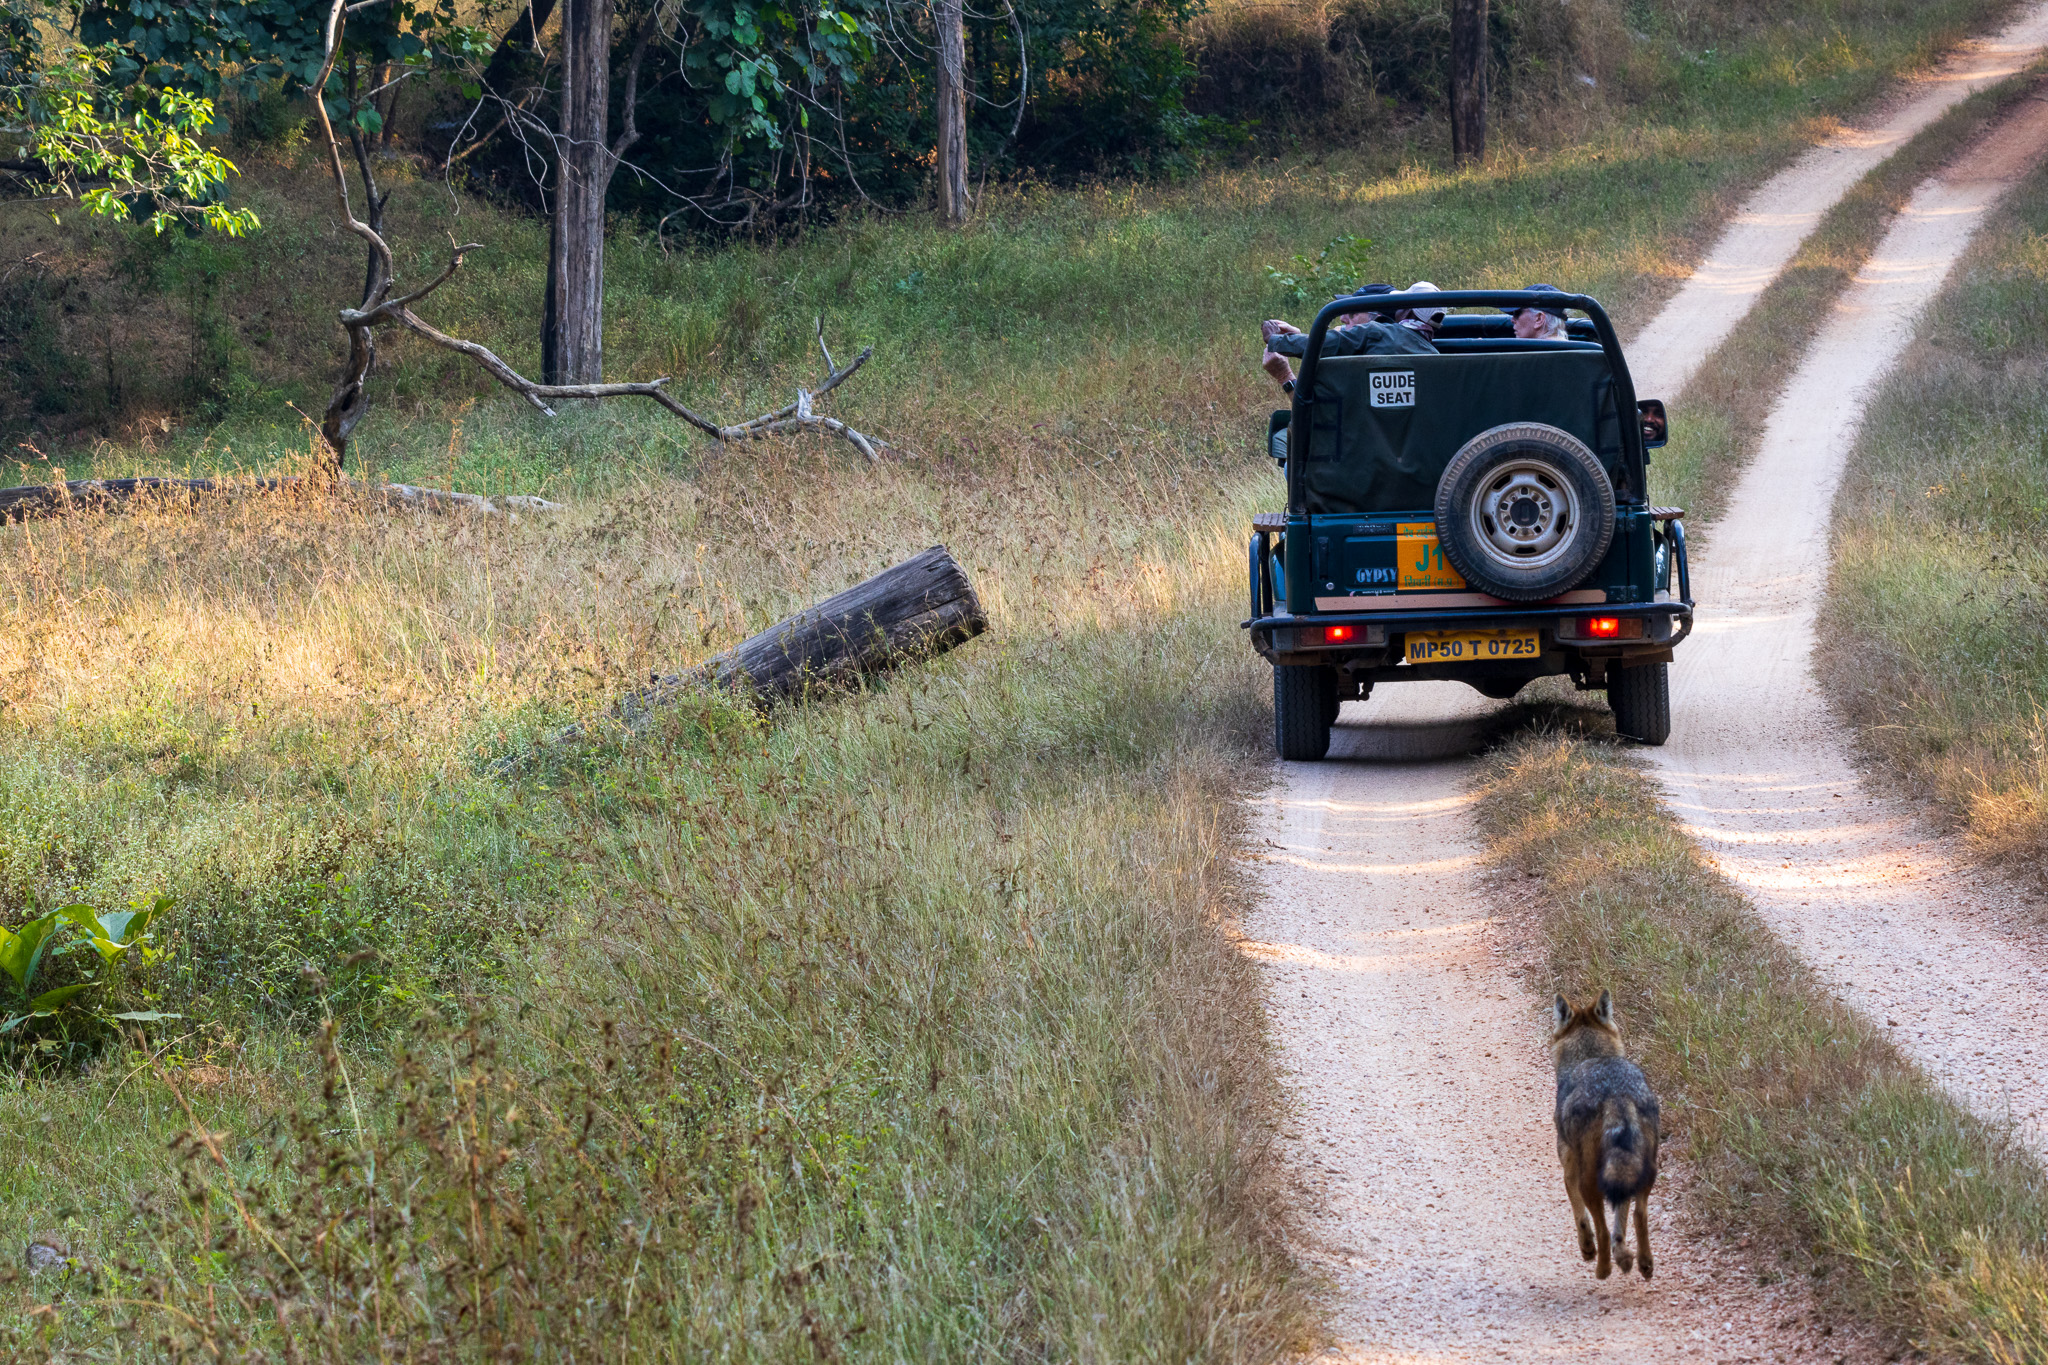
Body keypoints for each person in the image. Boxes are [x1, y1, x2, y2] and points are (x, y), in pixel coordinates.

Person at [1260, 281, 1440, 393]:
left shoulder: (1375, 333)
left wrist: (1277, 341)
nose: (1343, 317)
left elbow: (1331, 343)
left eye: (1352, 312)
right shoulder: (1436, 358)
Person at [1505, 283, 1571, 340]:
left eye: (1517, 313)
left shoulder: (1529, 353)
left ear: (1539, 319)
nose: (1512, 320)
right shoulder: (1574, 349)